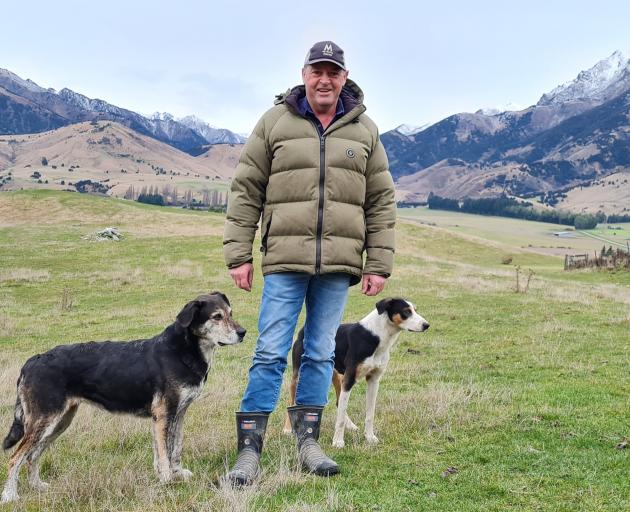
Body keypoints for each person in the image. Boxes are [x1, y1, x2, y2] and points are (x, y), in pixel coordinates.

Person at [222, 40, 396, 485]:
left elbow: (380, 200)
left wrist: (378, 262)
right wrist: (238, 253)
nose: (324, 79)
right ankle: (249, 450)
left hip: (338, 266)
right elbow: (246, 190)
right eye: (317, 71)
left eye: (333, 72)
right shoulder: (274, 122)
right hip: (284, 260)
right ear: (304, 75)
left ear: (344, 78)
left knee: (321, 354)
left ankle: (309, 442)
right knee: (269, 352)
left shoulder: (365, 131)